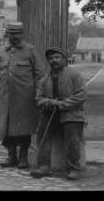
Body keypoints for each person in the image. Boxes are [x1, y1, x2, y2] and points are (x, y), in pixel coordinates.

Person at [0, 22, 45, 169]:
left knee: (24, 128)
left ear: (22, 34)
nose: (14, 37)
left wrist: (40, 93)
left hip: (25, 98)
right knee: (4, 127)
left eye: (17, 33)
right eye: (11, 34)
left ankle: (23, 157)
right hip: (4, 97)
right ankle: (11, 156)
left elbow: (40, 74)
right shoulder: (1, 51)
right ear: (8, 35)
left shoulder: (31, 50)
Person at [31, 46, 87, 181]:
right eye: (51, 58)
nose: (54, 60)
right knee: (42, 134)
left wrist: (62, 104)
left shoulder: (74, 75)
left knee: (72, 138)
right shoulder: (44, 79)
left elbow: (81, 95)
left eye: (57, 57)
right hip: (51, 113)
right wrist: (49, 102)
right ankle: (44, 166)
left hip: (72, 114)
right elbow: (39, 98)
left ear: (64, 59)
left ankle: (74, 168)